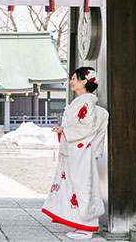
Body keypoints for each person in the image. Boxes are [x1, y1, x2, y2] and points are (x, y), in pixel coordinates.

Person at [42, 67, 109, 240]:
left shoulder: (86, 103)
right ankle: (81, 223)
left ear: (84, 81)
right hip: (77, 150)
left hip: (81, 151)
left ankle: (87, 226)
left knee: (82, 185)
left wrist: (65, 130)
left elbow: (86, 128)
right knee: (74, 184)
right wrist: (63, 131)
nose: (72, 81)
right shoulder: (81, 101)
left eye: (74, 78)